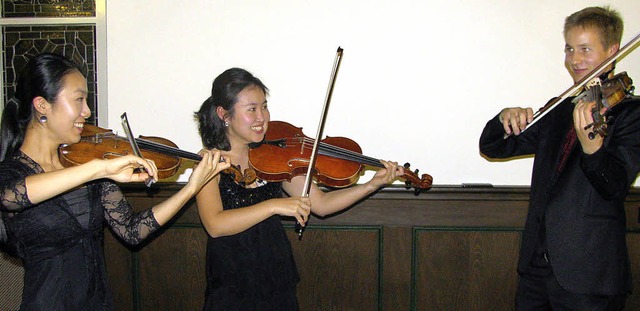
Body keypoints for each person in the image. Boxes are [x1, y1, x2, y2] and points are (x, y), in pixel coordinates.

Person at [0, 53, 230, 310]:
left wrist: (191, 188)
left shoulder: (84, 165)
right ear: (42, 105)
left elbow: (131, 230)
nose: (87, 111)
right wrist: (99, 169)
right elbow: (10, 196)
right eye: (79, 99)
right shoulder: (13, 172)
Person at [194, 67, 404, 310]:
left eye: (264, 106)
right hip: (231, 280)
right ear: (224, 114)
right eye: (252, 109)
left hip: (275, 273)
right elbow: (215, 224)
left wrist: (371, 185)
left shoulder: (274, 157)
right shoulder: (209, 162)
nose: (262, 117)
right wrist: (273, 205)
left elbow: (321, 205)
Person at [479, 6, 640, 311]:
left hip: (590, 274)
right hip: (537, 269)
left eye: (585, 49)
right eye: (569, 48)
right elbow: (495, 147)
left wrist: (593, 147)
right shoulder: (560, 109)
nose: (575, 59)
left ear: (612, 49)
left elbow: (615, 186)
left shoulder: (630, 113)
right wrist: (503, 119)